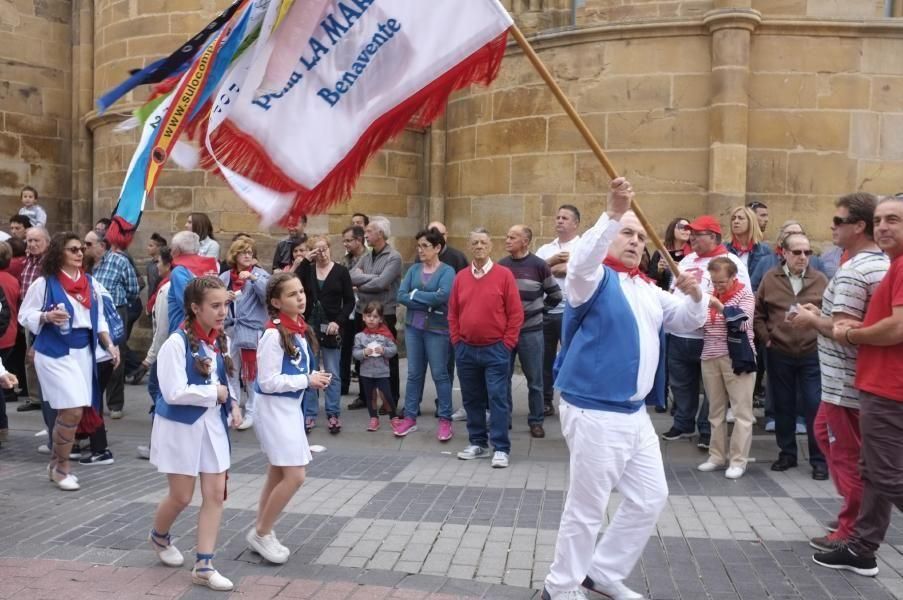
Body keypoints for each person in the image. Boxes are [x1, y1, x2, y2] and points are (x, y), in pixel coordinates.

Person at [541, 178, 707, 600]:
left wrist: (695, 296)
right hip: (594, 409)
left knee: (651, 497)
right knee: (588, 507)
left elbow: (688, 321)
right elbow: (579, 263)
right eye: (626, 234)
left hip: (634, 415)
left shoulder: (645, 288)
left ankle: (602, 572)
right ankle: (559, 588)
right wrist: (612, 212)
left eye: (639, 235)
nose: (635, 241)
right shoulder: (591, 280)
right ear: (609, 238)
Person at [791, 193, 887, 552]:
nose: (832, 227)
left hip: (844, 383)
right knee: (831, 439)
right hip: (851, 383)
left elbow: (845, 332)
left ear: (858, 226)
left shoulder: (854, 270)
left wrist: (811, 318)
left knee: (848, 456)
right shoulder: (879, 265)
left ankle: (852, 527)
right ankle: (856, 512)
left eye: (838, 221)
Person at [813, 196, 903, 578]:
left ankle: (861, 545)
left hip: (889, 387)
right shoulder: (893, 265)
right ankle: (862, 550)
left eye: (893, 220)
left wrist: (852, 336)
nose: (883, 226)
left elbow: (898, 327)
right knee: (872, 471)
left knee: (884, 475)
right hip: (875, 383)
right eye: (879, 219)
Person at [148, 276, 241, 592]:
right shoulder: (175, 343)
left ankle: (204, 564)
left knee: (215, 494)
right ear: (194, 307)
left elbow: (225, 381)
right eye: (215, 306)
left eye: (225, 304)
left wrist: (233, 403)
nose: (222, 311)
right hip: (180, 427)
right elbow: (172, 392)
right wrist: (212, 393)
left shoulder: (217, 340)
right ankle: (159, 535)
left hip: (212, 425)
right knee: (182, 496)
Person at [19, 232, 118, 491]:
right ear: (58, 253)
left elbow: (100, 320)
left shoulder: (90, 283)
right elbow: (24, 314)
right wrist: (46, 317)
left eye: (81, 249)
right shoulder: (44, 283)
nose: (79, 253)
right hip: (54, 352)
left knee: (72, 413)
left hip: (83, 353)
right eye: (73, 249)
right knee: (72, 409)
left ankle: (56, 464)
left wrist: (110, 344)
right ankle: (62, 468)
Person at [249, 272, 329, 564]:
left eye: (301, 291)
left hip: (288, 409)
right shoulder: (273, 335)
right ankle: (262, 531)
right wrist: (307, 380)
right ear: (275, 301)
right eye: (292, 294)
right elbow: (267, 381)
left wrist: (311, 379)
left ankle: (261, 530)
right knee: (295, 476)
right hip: (273, 410)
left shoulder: (297, 329)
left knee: (278, 472)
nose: (300, 297)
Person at [662, 215, 749, 450]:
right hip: (681, 334)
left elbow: (740, 298)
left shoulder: (732, 262)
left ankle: (706, 429)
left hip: (711, 336)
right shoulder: (687, 259)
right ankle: (683, 422)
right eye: (691, 233)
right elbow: (672, 291)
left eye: (697, 234)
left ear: (713, 237)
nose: (692, 238)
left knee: (713, 388)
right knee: (680, 382)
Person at [754, 232, 829, 480]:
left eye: (808, 252)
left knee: (814, 405)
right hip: (780, 352)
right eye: (797, 252)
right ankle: (787, 453)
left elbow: (831, 314)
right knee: (783, 406)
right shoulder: (770, 278)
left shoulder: (820, 279)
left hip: (811, 352)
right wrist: (767, 338)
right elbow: (758, 314)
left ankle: (819, 459)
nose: (803, 257)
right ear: (783, 253)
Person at [450, 228, 524, 469]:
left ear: (491, 246)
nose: (479, 246)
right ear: (470, 247)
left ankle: (501, 447)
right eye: (475, 243)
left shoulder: (504, 275)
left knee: (497, 398)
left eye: (483, 242)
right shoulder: (461, 277)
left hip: (496, 350)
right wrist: (457, 341)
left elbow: (515, 314)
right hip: (466, 349)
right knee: (472, 399)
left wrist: (507, 344)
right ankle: (477, 442)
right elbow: (453, 312)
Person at [499, 224, 562, 438]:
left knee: (535, 380)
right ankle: (503, 418)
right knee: (503, 377)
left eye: (512, 237)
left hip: (531, 333)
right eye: (507, 236)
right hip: (506, 333)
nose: (507, 240)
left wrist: (540, 313)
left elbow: (556, 295)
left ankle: (536, 421)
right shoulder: (502, 266)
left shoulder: (538, 266)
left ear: (525, 241)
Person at [394, 228, 457, 439]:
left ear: (437, 247)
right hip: (414, 328)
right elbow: (401, 296)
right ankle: (410, 418)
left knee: (440, 374)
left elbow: (444, 296)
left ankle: (445, 420)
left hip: (437, 330)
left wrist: (416, 295)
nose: (420, 250)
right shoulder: (413, 270)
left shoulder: (447, 271)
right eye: (418, 246)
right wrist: (427, 299)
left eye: (425, 246)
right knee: (413, 374)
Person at [697, 257, 756, 479]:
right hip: (709, 355)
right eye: (714, 281)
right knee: (715, 411)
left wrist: (720, 307)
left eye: (722, 282)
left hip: (737, 358)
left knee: (742, 412)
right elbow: (700, 322)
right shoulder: (710, 294)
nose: (718, 286)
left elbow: (744, 323)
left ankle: (738, 461)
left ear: (733, 277)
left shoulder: (745, 294)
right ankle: (716, 456)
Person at [302, 235, 353, 434]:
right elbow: (293, 280)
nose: (322, 253)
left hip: (331, 327)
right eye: (317, 250)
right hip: (310, 327)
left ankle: (333, 413)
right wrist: (307, 259)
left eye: (325, 249)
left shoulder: (340, 272)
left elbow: (349, 301)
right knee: (311, 371)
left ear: (330, 249)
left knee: (332, 370)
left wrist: (338, 321)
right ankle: (310, 413)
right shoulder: (308, 270)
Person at [349, 217, 402, 406]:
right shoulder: (367, 255)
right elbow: (351, 275)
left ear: (380, 233)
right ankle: (365, 396)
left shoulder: (394, 257)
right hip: (363, 311)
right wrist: (372, 278)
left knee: (387, 356)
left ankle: (391, 399)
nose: (365, 235)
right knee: (362, 353)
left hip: (384, 313)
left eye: (369, 231)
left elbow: (383, 283)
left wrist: (362, 283)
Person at [86, 231, 139, 419]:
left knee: (116, 354)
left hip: (115, 311)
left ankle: (115, 403)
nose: (84, 247)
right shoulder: (85, 264)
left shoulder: (119, 261)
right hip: (91, 313)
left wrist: (121, 306)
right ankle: (93, 401)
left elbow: (133, 288)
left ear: (102, 245)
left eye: (88, 244)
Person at [536, 205, 582, 418]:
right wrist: (552, 264)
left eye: (565, 218)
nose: (559, 221)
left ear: (575, 223)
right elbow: (534, 272)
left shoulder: (583, 247)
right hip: (546, 311)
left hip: (572, 312)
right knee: (544, 360)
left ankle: (573, 399)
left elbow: (586, 272)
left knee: (572, 358)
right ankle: (546, 401)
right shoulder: (546, 249)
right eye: (557, 217)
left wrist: (565, 269)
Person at [219, 238, 270, 431]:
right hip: (230, 329)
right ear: (235, 256)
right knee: (231, 370)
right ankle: (233, 409)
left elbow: (268, 296)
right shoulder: (225, 277)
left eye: (250, 252)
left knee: (251, 373)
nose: (248, 255)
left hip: (251, 330)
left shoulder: (260, 274)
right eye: (243, 252)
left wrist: (253, 279)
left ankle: (252, 411)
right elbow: (214, 299)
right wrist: (225, 298)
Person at [136, 247, 174, 460]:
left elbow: (162, 329)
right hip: (173, 350)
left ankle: (158, 444)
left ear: (168, 264)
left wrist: (149, 359)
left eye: (159, 261)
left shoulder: (166, 290)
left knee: (159, 395)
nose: (156, 265)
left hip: (165, 352)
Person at [353, 301, 399, 431]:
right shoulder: (359, 336)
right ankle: (374, 418)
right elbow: (355, 353)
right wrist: (363, 353)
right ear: (363, 317)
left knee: (386, 395)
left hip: (382, 372)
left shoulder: (385, 335)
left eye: (375, 316)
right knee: (370, 396)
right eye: (369, 316)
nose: (371, 319)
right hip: (366, 373)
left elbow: (394, 350)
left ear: (380, 319)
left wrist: (384, 350)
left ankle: (393, 417)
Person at [18, 226, 49, 414]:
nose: (33, 244)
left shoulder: (49, 263)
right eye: (29, 240)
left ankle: (45, 396)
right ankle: (35, 397)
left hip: (45, 316)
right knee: (30, 357)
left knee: (40, 355)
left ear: (47, 242)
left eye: (37, 240)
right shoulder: (27, 261)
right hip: (29, 316)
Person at [168, 232, 220, 335]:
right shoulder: (212, 266)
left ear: (177, 250)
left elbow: (186, 302)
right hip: (209, 326)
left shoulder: (179, 271)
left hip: (185, 329)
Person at [340, 226, 367, 397]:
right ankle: (343, 386)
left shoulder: (368, 258)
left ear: (359, 240)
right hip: (347, 307)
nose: (345, 244)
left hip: (364, 308)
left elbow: (369, 281)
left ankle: (365, 390)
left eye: (348, 240)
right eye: (344, 241)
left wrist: (358, 282)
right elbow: (342, 281)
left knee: (362, 348)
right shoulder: (345, 260)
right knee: (345, 348)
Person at [725, 205, 770, 279]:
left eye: (740, 218)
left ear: (750, 222)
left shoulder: (764, 251)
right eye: (733, 219)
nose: (736, 221)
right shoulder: (724, 249)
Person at [647, 216, 691, 291]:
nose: (685, 230)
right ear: (672, 229)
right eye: (681, 227)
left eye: (688, 228)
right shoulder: (661, 252)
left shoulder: (693, 254)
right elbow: (651, 279)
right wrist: (659, 270)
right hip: (663, 296)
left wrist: (680, 269)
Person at [146, 233, 167, 298]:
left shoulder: (165, 265)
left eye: (151, 246)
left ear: (159, 248)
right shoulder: (149, 265)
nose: (147, 248)